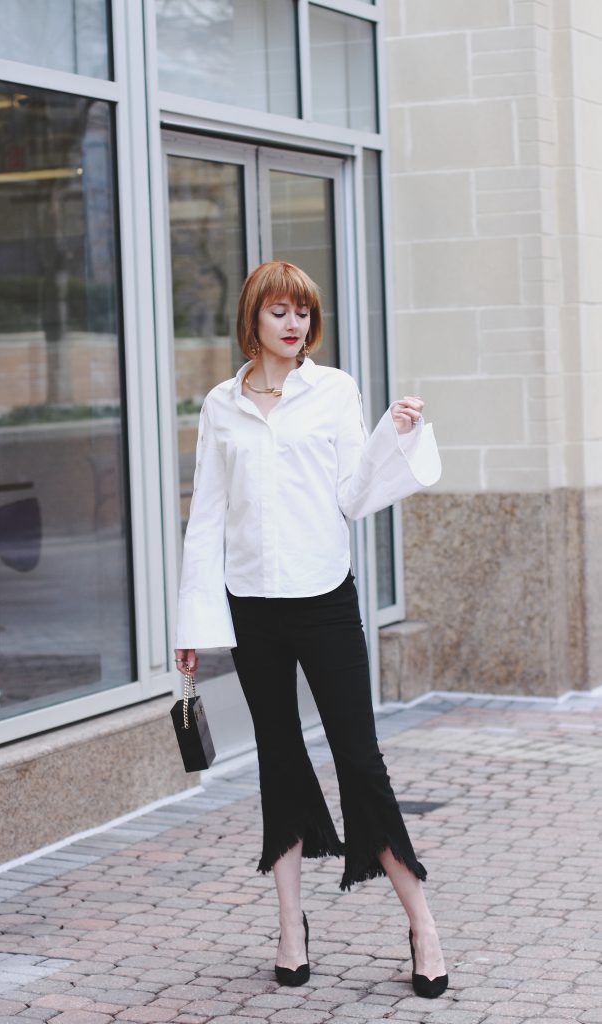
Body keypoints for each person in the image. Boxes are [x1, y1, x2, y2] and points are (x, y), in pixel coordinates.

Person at [174, 260, 448, 999]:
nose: (293, 324)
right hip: (250, 607)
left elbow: (354, 495)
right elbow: (205, 521)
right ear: (252, 321)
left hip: (323, 599)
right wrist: (192, 620)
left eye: (302, 312)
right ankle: (290, 927)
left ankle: (421, 922)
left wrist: (393, 436)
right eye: (279, 312)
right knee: (279, 762)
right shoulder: (221, 405)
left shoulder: (333, 391)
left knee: (359, 760)